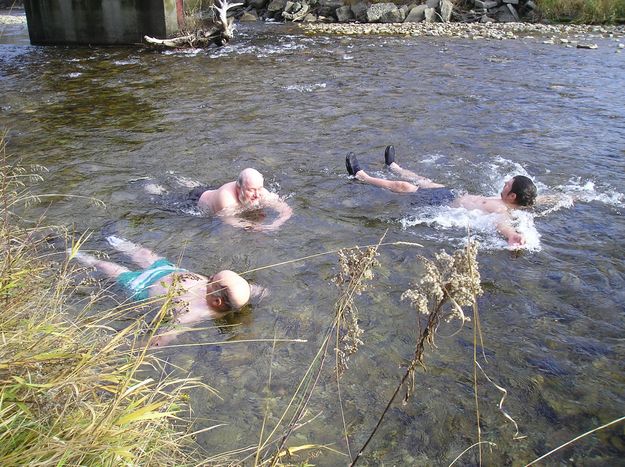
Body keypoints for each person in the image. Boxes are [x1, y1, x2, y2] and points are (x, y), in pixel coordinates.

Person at [69, 236, 255, 346]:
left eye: (212, 280)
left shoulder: (194, 313)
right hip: (169, 270)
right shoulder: (227, 293)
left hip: (142, 286)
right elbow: (250, 290)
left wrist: (142, 348)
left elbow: (164, 336)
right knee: (144, 254)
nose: (211, 276)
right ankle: (110, 238)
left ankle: (83, 257)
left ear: (217, 302)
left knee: (112, 269)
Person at [345, 146, 538, 247]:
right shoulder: (506, 200)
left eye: (507, 185)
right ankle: (394, 167)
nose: (503, 184)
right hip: (452, 193)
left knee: (403, 187)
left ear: (513, 196)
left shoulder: (502, 209)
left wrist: (512, 235)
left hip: (443, 203)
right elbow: (537, 200)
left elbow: (502, 225)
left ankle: (362, 176)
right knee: (422, 179)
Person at [190, 168, 292, 231]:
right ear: (238, 188)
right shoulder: (226, 199)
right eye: (251, 190)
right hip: (196, 199)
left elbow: (286, 210)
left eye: (259, 188)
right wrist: (252, 226)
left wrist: (275, 225)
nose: (257, 194)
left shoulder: (262, 193)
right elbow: (228, 220)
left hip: (216, 191)